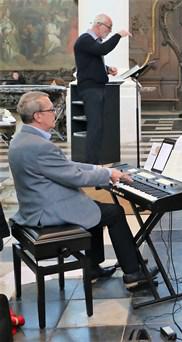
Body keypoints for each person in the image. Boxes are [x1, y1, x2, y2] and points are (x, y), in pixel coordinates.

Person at [8, 91, 155, 288]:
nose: (55, 113)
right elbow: (75, 177)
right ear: (38, 116)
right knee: (114, 212)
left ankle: (93, 268)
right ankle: (133, 274)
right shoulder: (39, 146)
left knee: (93, 207)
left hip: (36, 206)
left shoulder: (21, 139)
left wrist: (102, 169)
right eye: (51, 109)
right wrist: (108, 175)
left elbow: (65, 166)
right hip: (45, 212)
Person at [74, 14, 130, 164]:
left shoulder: (91, 42)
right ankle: (91, 165)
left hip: (96, 87)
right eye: (109, 28)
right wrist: (118, 35)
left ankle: (95, 162)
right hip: (91, 89)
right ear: (99, 25)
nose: (110, 31)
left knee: (97, 127)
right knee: (94, 127)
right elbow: (103, 50)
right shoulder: (85, 39)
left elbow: (88, 63)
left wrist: (106, 69)